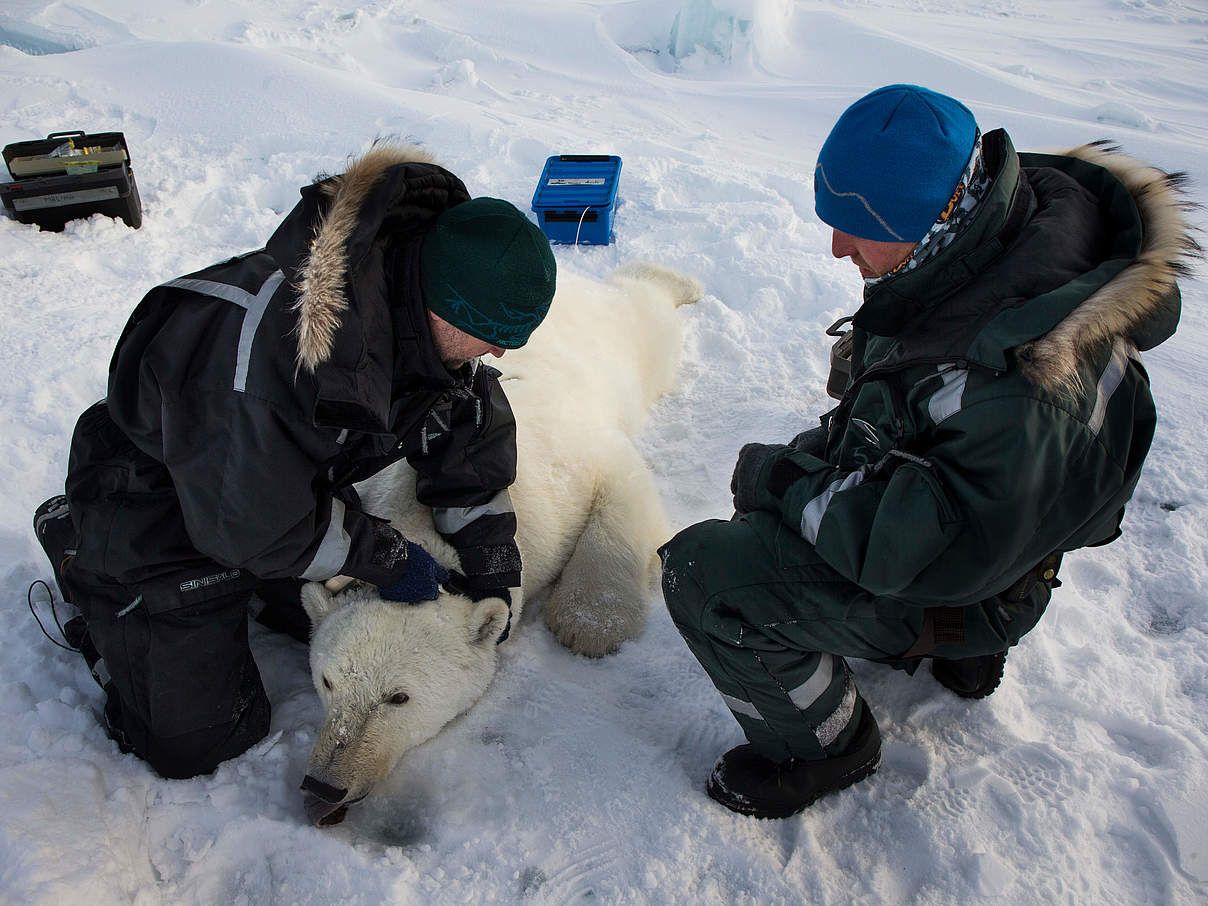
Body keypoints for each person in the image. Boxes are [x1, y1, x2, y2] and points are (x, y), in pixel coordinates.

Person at [659, 84, 1195, 819]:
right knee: (825, 468)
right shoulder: (1001, 241)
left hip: (967, 563)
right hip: (1007, 543)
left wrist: (783, 481)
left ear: (937, 215)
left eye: (859, 227)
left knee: (706, 575)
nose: (838, 248)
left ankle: (829, 744)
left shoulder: (1015, 380)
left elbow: (914, 547)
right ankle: (960, 644)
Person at [32, 143, 557, 780]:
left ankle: (237, 586)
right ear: (442, 306)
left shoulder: (420, 328)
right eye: (494, 335)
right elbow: (251, 522)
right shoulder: (270, 346)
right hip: (153, 493)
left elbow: (467, 444)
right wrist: (385, 556)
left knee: (331, 615)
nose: (499, 354)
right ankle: (82, 550)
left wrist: (494, 558)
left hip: (274, 490)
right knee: (202, 738)